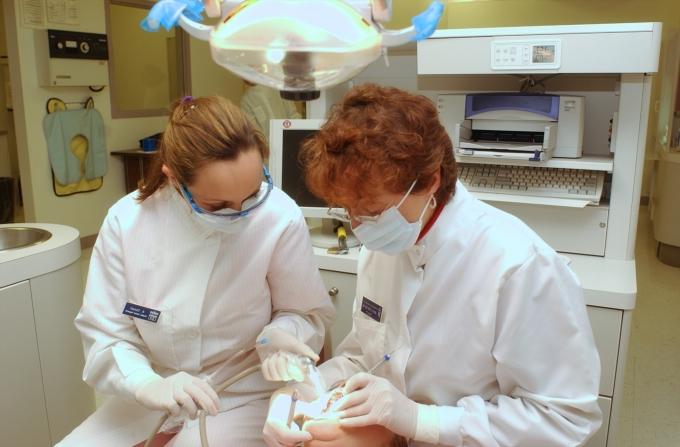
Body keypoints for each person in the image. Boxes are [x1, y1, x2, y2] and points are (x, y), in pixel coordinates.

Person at [263, 84, 602, 446]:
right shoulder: (383, 246)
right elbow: (367, 355)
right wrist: (306, 387)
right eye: (348, 209)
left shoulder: (519, 267)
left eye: (373, 210)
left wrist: (421, 419)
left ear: (429, 182)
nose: (358, 225)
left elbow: (564, 420)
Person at [58, 95, 334, 447]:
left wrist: (281, 335)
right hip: (154, 391)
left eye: (251, 194)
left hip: (242, 393)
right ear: (174, 179)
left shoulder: (279, 216)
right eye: (218, 204)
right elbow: (106, 334)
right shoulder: (126, 222)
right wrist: (147, 383)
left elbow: (305, 313)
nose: (240, 213)